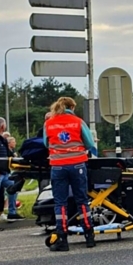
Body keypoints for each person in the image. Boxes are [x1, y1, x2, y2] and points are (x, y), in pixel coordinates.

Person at [44, 97, 98, 251]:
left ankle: (62, 238)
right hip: (77, 164)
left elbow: (46, 143)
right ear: (72, 107)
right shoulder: (78, 121)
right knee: (82, 200)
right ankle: (89, 236)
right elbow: (89, 143)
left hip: (58, 166)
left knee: (60, 203)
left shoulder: (49, 123)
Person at [3, 135, 24, 222]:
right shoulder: (7, 151)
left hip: (7, 173)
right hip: (3, 173)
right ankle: (11, 212)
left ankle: (12, 211)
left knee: (14, 187)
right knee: (12, 188)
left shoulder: (12, 151)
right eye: (13, 141)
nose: (15, 143)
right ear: (9, 143)